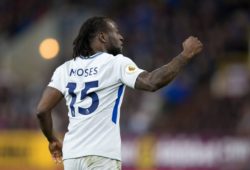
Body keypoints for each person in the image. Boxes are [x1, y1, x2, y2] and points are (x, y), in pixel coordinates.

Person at [36, 16, 203, 170]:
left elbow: (42, 110)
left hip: (72, 156)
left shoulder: (64, 69)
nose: (121, 37)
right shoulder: (115, 63)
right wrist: (185, 55)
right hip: (102, 155)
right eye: (115, 32)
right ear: (102, 37)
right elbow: (152, 82)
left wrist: (52, 140)